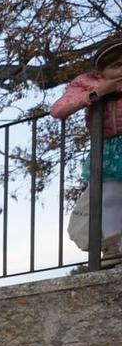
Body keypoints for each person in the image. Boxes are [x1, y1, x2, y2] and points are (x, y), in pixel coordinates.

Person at [52, 39, 122, 260]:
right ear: (100, 72)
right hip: (109, 147)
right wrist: (98, 92)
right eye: (117, 65)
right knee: (109, 196)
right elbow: (58, 109)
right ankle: (112, 248)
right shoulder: (87, 84)